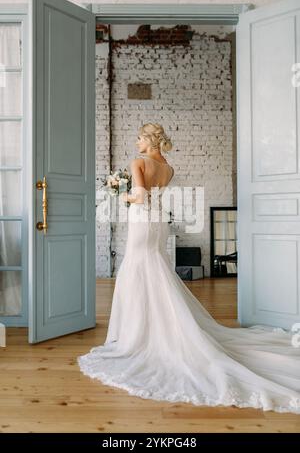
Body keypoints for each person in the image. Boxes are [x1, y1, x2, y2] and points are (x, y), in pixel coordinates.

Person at [78, 123, 300, 414]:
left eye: (139, 138)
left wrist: (122, 194)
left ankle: (138, 334)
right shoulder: (167, 167)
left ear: (149, 140)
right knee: (155, 268)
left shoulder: (138, 163)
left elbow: (141, 196)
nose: (136, 142)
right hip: (158, 222)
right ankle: (156, 326)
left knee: (137, 269)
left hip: (143, 220)